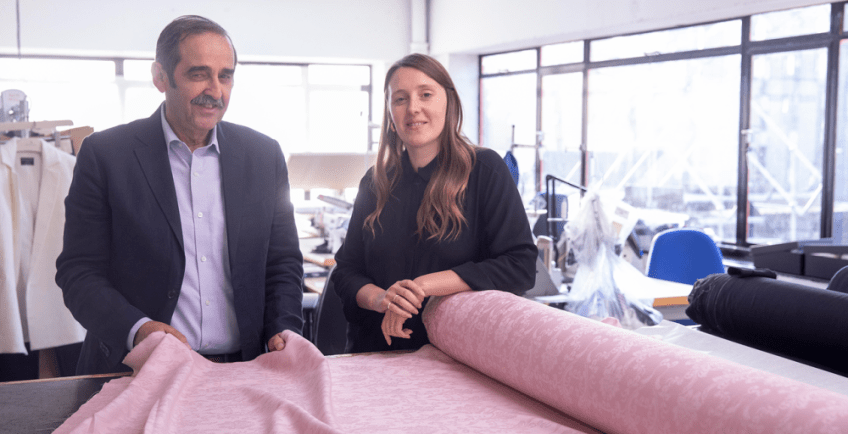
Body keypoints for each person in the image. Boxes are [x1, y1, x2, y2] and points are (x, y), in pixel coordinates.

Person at [56, 15, 304, 375]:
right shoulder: (106, 155)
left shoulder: (264, 156)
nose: (215, 90)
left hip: (243, 371)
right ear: (160, 77)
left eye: (225, 76)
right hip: (136, 372)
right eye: (199, 74)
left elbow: (283, 263)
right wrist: (139, 330)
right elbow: (79, 272)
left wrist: (283, 327)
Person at [332, 54, 537, 353]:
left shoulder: (484, 170)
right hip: (375, 354)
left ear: (448, 102)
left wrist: (422, 287)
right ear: (390, 113)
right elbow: (346, 271)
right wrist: (383, 299)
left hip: (457, 359)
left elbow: (520, 265)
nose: (413, 108)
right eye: (400, 99)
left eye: (425, 94)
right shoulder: (375, 182)